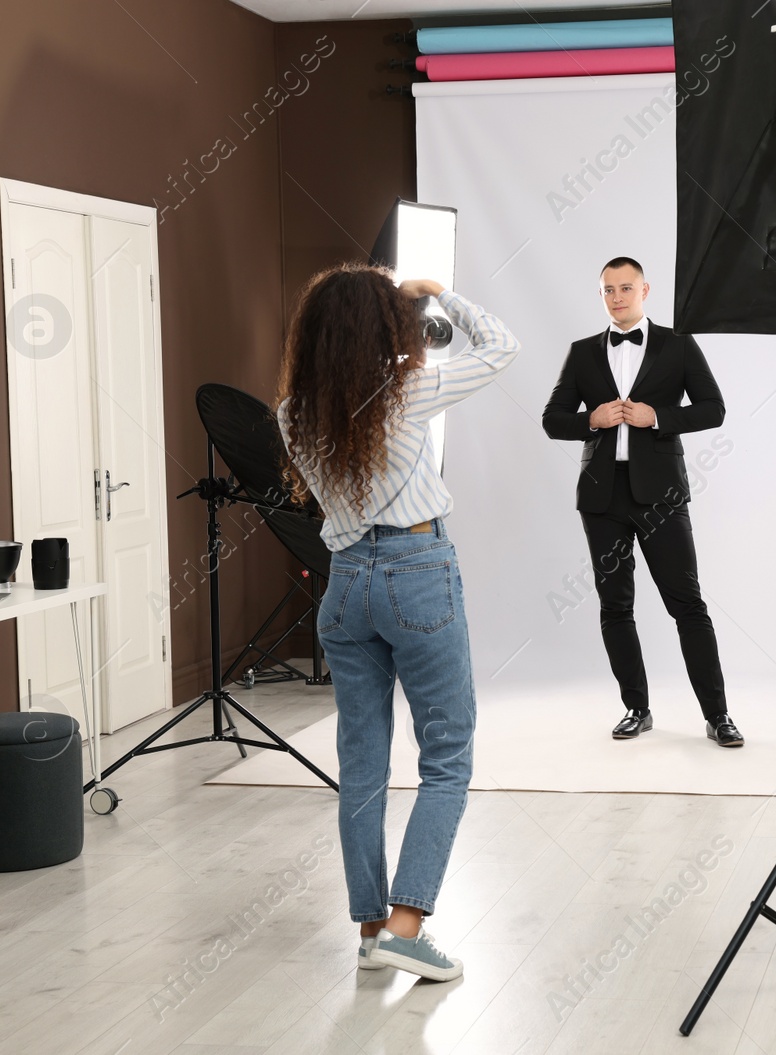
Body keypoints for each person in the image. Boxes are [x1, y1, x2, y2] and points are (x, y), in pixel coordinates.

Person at [277, 264, 518, 981]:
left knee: (361, 766)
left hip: (345, 585)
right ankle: (409, 927)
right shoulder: (407, 388)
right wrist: (433, 293)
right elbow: (502, 345)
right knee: (446, 757)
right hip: (417, 572)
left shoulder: (293, 411)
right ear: (380, 325)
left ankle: (371, 927)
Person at [541, 256, 743, 747]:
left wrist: (658, 416)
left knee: (688, 606)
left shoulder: (677, 344)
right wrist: (593, 420)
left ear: (645, 290)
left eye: (625, 288)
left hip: (662, 499)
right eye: (608, 290)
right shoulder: (583, 352)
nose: (617, 297)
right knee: (616, 607)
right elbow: (552, 419)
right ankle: (636, 707)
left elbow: (714, 409)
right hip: (603, 499)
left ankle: (718, 716)